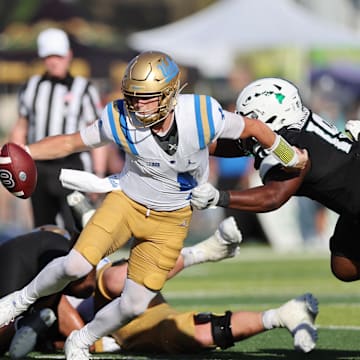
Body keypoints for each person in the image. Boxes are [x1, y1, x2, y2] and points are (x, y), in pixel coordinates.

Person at [0, 52, 308, 360]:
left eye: (147, 98)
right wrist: (23, 150)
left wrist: (288, 155)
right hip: (127, 203)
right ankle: (17, 301)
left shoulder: (202, 114)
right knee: (75, 265)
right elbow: (70, 142)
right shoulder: (119, 117)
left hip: (172, 218)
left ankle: (82, 339)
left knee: (134, 304)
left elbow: (254, 128)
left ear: (171, 93)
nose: (138, 105)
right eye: (133, 97)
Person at [1, 203, 243, 357]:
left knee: (113, 279)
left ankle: (200, 253)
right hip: (89, 309)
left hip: (107, 286)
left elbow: (75, 287)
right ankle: (33, 323)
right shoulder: (52, 268)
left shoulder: (68, 261)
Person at [191, 77, 360, 286]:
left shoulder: (294, 144)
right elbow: (241, 145)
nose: (243, 125)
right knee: (344, 266)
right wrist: (191, 143)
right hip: (352, 205)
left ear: (266, 116)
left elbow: (273, 197)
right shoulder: (292, 125)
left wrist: (220, 197)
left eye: (248, 119)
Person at [8, 27, 105, 232]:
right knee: (43, 228)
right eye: (49, 56)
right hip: (39, 167)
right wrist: (14, 163)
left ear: (68, 55)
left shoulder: (84, 88)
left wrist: (98, 174)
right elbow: (21, 127)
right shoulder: (31, 87)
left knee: (80, 227)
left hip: (74, 166)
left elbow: (97, 134)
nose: (53, 61)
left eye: (58, 56)